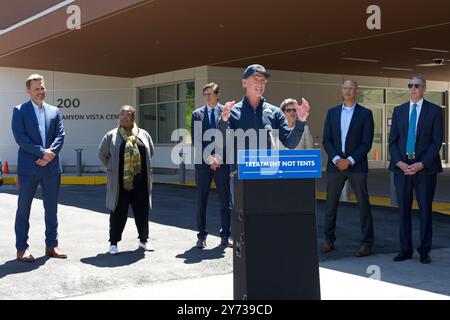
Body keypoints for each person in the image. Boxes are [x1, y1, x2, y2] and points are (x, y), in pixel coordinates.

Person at [11, 74, 66, 262]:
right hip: (29, 168)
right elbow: (20, 138)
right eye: (37, 89)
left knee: (51, 209)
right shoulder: (19, 111)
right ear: (28, 91)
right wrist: (42, 153)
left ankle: (52, 245)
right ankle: (21, 248)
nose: (41, 92)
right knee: (23, 210)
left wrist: (49, 154)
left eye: (42, 88)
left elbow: (60, 135)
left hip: (51, 168)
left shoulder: (54, 111)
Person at [389, 76, 443, 264]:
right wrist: (399, 162)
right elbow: (392, 141)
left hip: (425, 169)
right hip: (402, 168)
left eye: (417, 86)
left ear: (424, 88)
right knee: (403, 210)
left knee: (425, 210)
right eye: (410, 85)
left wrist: (422, 164)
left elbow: (437, 142)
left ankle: (424, 250)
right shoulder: (398, 111)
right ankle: (405, 249)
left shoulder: (435, 111)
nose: (413, 89)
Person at [321, 80, 375, 257]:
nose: (348, 90)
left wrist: (350, 160)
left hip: (356, 164)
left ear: (356, 91)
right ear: (341, 90)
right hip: (335, 164)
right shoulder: (332, 113)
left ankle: (367, 243)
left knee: (363, 205)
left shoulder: (365, 114)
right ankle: (329, 239)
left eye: (351, 88)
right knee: (330, 205)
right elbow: (326, 140)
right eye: (345, 87)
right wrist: (337, 159)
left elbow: (366, 143)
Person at [98, 105, 155, 255]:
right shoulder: (111, 135)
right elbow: (102, 155)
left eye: (127, 114)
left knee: (142, 212)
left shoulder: (143, 134)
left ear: (134, 117)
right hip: (120, 183)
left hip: (141, 182)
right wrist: (112, 168)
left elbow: (151, 153)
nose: (123, 116)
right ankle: (113, 243)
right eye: (121, 114)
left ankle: (144, 241)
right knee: (118, 213)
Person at [191, 83, 232, 249]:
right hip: (203, 164)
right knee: (201, 201)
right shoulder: (196, 115)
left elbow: (229, 137)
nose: (207, 97)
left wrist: (219, 158)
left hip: (222, 164)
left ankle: (225, 236)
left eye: (210, 93)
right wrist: (209, 158)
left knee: (225, 202)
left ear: (217, 95)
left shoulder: (227, 113)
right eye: (205, 94)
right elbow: (197, 139)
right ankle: (201, 236)